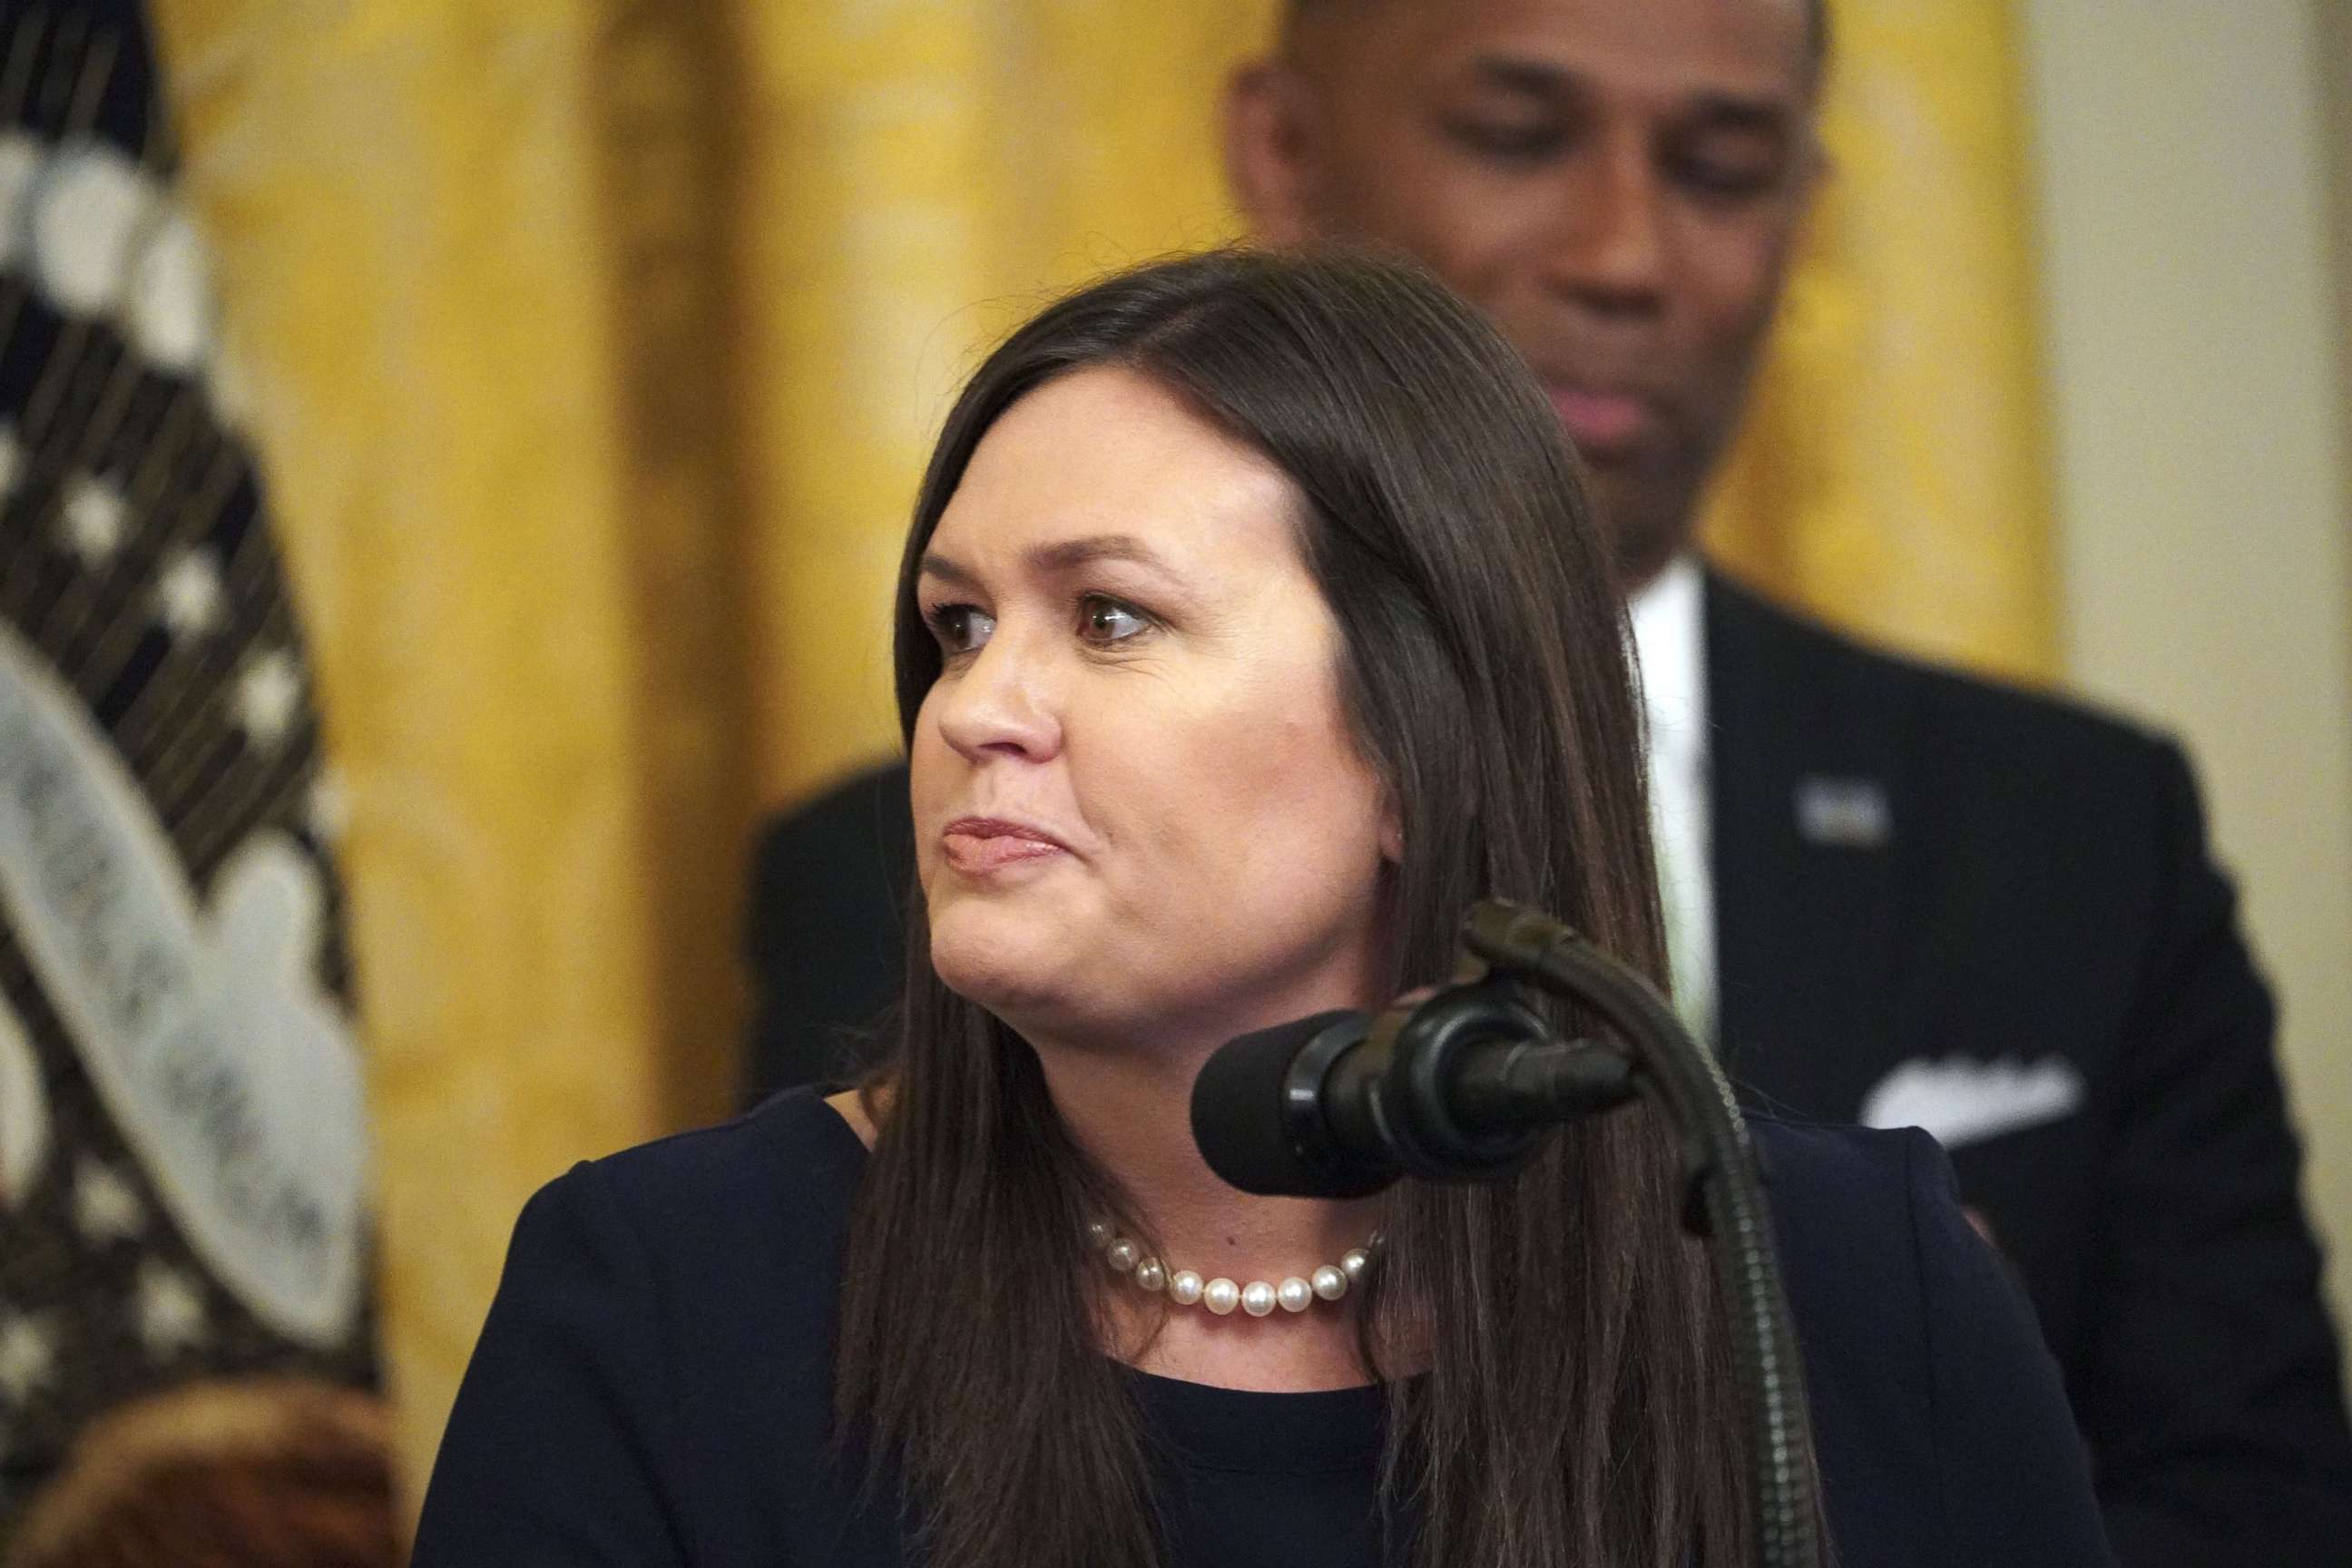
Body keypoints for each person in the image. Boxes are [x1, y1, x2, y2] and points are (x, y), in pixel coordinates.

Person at [744, 4, 2352, 1561]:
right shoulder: (910, 905)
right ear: (1286, 150)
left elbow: (2253, 1497)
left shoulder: (2074, 835)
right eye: (1517, 136)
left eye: (1721, 167)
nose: (1622, 257)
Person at [414, 250, 2112, 1567]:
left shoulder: (1836, 1281)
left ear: (1416, 742)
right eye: (956, 626)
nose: (976, 709)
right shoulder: (664, 1296)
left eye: (1112, 620)